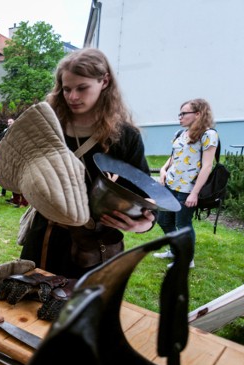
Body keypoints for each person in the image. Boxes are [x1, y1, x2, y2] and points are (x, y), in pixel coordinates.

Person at [19, 48, 155, 279]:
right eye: (66, 89)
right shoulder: (49, 126)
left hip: (97, 245)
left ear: (104, 81)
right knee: (31, 308)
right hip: (48, 237)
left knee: (84, 310)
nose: (72, 97)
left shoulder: (125, 136)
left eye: (82, 88)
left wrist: (144, 223)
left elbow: (144, 189)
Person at [153, 99, 218, 268]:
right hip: (170, 184)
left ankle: (187, 259)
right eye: (179, 114)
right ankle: (175, 251)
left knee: (182, 224)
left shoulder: (208, 135)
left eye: (184, 113)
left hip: (187, 189)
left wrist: (194, 193)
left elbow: (207, 166)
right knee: (163, 220)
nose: (180, 117)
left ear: (198, 114)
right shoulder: (180, 133)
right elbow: (174, 156)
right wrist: (163, 169)